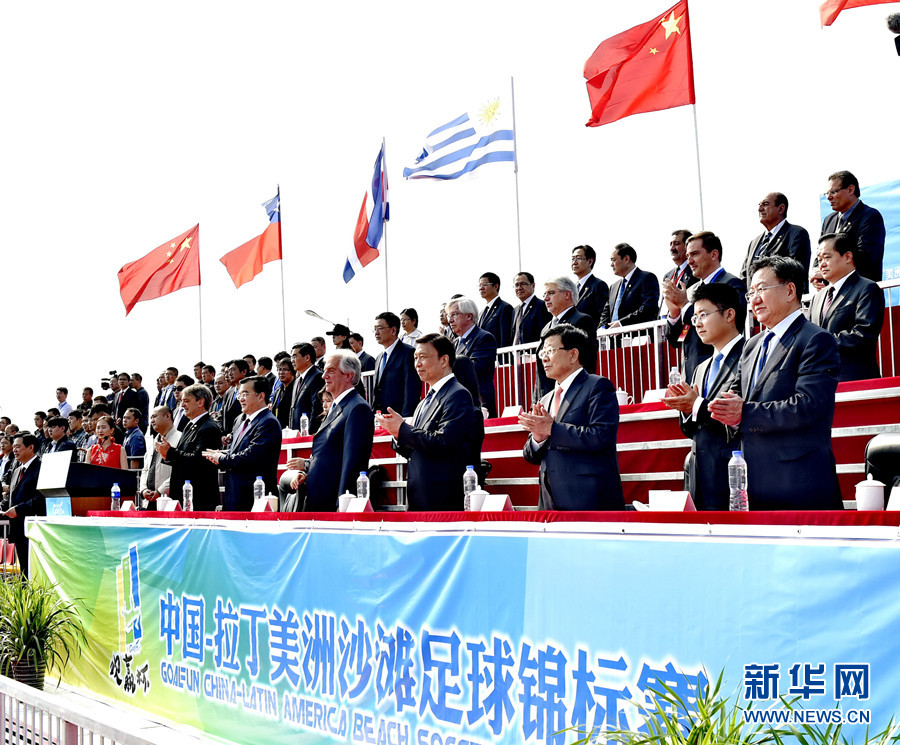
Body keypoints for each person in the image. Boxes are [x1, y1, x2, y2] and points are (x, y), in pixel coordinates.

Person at [708, 256, 842, 510]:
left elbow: (809, 406)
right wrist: (722, 410)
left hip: (800, 483)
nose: (754, 300)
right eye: (750, 293)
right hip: (754, 483)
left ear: (790, 291)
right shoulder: (752, 345)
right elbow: (736, 398)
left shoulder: (815, 340)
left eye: (761, 289)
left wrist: (744, 413)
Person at [521, 324, 624, 510]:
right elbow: (531, 455)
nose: (544, 358)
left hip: (588, 499)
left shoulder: (597, 386)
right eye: (542, 352)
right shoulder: (545, 399)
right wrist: (538, 439)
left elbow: (601, 436)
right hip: (549, 501)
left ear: (573, 354)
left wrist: (552, 429)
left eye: (550, 351)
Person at [377, 333, 482, 511]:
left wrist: (402, 429)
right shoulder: (424, 401)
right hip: (419, 495)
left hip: (442, 498)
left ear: (444, 360)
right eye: (415, 358)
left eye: (423, 357)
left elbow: (444, 442)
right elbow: (416, 449)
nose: (417, 364)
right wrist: (397, 434)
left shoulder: (458, 394)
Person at [663, 283, 745, 510]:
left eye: (703, 315)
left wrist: (696, 404)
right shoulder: (701, 367)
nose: (697, 323)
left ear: (729, 315)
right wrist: (686, 409)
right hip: (700, 472)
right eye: (695, 316)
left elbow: (739, 416)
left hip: (734, 471)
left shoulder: (748, 355)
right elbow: (692, 429)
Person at [283, 352, 375, 511]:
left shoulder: (357, 408)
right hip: (320, 497)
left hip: (334, 502)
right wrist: (308, 472)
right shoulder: (338, 406)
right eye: (324, 370)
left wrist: (344, 502)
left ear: (348, 376)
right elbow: (329, 455)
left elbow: (354, 462)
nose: (324, 376)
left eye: (331, 371)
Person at [664, 231, 747, 384]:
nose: (689, 261)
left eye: (694, 254)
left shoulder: (731, 284)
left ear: (714, 254)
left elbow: (736, 326)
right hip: (693, 377)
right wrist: (675, 315)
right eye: (688, 255)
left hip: (721, 374)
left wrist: (685, 306)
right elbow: (678, 340)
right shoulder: (690, 291)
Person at [810, 232, 885, 382]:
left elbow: (863, 335)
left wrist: (822, 342)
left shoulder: (867, 288)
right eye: (819, 259)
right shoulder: (817, 297)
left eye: (827, 257)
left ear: (848, 257)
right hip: (821, 383)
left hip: (855, 379)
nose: (822, 264)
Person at [203, 376, 282, 511]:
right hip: (234, 494)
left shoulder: (269, 422)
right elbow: (237, 450)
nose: (240, 398)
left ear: (261, 396)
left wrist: (222, 458)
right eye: (239, 394)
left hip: (255, 498)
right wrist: (221, 453)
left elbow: (252, 455)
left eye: (245, 393)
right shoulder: (240, 420)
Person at [158, 383, 223, 510]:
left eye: (186, 401)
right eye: (182, 401)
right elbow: (182, 455)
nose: (182, 405)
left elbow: (199, 460)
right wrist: (166, 453)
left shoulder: (209, 427)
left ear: (200, 402)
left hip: (199, 497)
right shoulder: (189, 425)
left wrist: (170, 452)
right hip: (184, 494)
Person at [535, 276, 597, 399]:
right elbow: (540, 374)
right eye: (545, 294)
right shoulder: (546, 328)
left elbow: (586, 362)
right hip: (548, 398)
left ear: (567, 294)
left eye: (551, 293)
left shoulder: (581, 321)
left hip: (572, 397)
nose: (546, 298)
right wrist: (538, 401)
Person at [820, 170, 886, 282]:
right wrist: (818, 274)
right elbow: (821, 251)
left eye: (833, 192)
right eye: (827, 194)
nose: (828, 197)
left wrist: (830, 271)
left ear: (850, 190)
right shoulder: (828, 220)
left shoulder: (870, 217)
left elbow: (866, 258)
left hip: (860, 287)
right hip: (833, 289)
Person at [740, 193, 812, 292]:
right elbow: (744, 277)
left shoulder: (796, 234)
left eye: (765, 204)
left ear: (781, 209)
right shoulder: (754, 243)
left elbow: (795, 273)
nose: (760, 209)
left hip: (783, 298)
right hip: (755, 300)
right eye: (759, 205)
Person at [448, 297, 499, 418]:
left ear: (469, 316)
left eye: (454, 315)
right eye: (449, 316)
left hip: (477, 404)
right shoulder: (455, 343)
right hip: (458, 402)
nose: (450, 320)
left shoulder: (484, 338)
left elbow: (476, 369)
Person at [3, 433, 44, 576]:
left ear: (31, 447)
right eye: (13, 446)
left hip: (34, 527)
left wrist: (19, 509)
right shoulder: (16, 470)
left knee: (34, 569)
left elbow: (42, 497)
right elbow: (11, 497)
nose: (14, 450)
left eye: (17, 446)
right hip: (18, 527)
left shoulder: (42, 468)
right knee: (24, 569)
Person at [598, 244, 660, 329]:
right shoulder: (613, 287)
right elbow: (605, 313)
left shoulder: (646, 278)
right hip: (612, 336)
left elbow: (648, 308)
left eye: (614, 260)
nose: (611, 264)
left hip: (637, 335)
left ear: (626, 259)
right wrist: (602, 328)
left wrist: (621, 324)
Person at [372, 312, 421, 417]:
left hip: (399, 418)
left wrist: (406, 419)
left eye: (380, 328)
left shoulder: (408, 353)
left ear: (393, 330)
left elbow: (411, 391)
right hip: (382, 418)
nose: (376, 333)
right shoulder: (379, 358)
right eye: (374, 329)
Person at [140, 405, 181, 506]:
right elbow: (146, 469)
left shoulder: (180, 438)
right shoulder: (154, 441)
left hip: (169, 500)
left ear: (167, 416)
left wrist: (160, 491)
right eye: (151, 418)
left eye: (154, 416)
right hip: (149, 500)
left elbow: (179, 472)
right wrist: (143, 490)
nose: (152, 421)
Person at [289, 342, 325, 432]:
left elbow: (316, 409)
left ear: (307, 357)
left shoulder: (317, 377)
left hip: (308, 434)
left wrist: (310, 433)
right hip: (296, 434)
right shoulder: (297, 380)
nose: (292, 360)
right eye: (291, 357)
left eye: (294, 356)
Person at [571, 245, 609, 328]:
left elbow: (604, 315)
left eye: (578, 258)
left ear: (590, 262)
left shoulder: (598, 285)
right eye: (573, 259)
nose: (574, 262)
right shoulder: (571, 288)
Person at [511, 271, 551, 345]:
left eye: (523, 284)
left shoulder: (542, 306)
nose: (519, 288)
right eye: (516, 285)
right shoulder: (515, 310)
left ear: (533, 285)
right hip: (516, 351)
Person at [477, 273, 513, 348]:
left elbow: (505, 338)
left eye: (485, 284)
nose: (481, 288)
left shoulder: (504, 308)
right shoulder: (481, 313)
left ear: (496, 286)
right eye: (480, 285)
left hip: (498, 353)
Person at [270, 357, 296, 427]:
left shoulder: (296, 390)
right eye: (279, 369)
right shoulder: (277, 391)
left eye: (285, 370)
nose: (281, 372)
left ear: (293, 371)